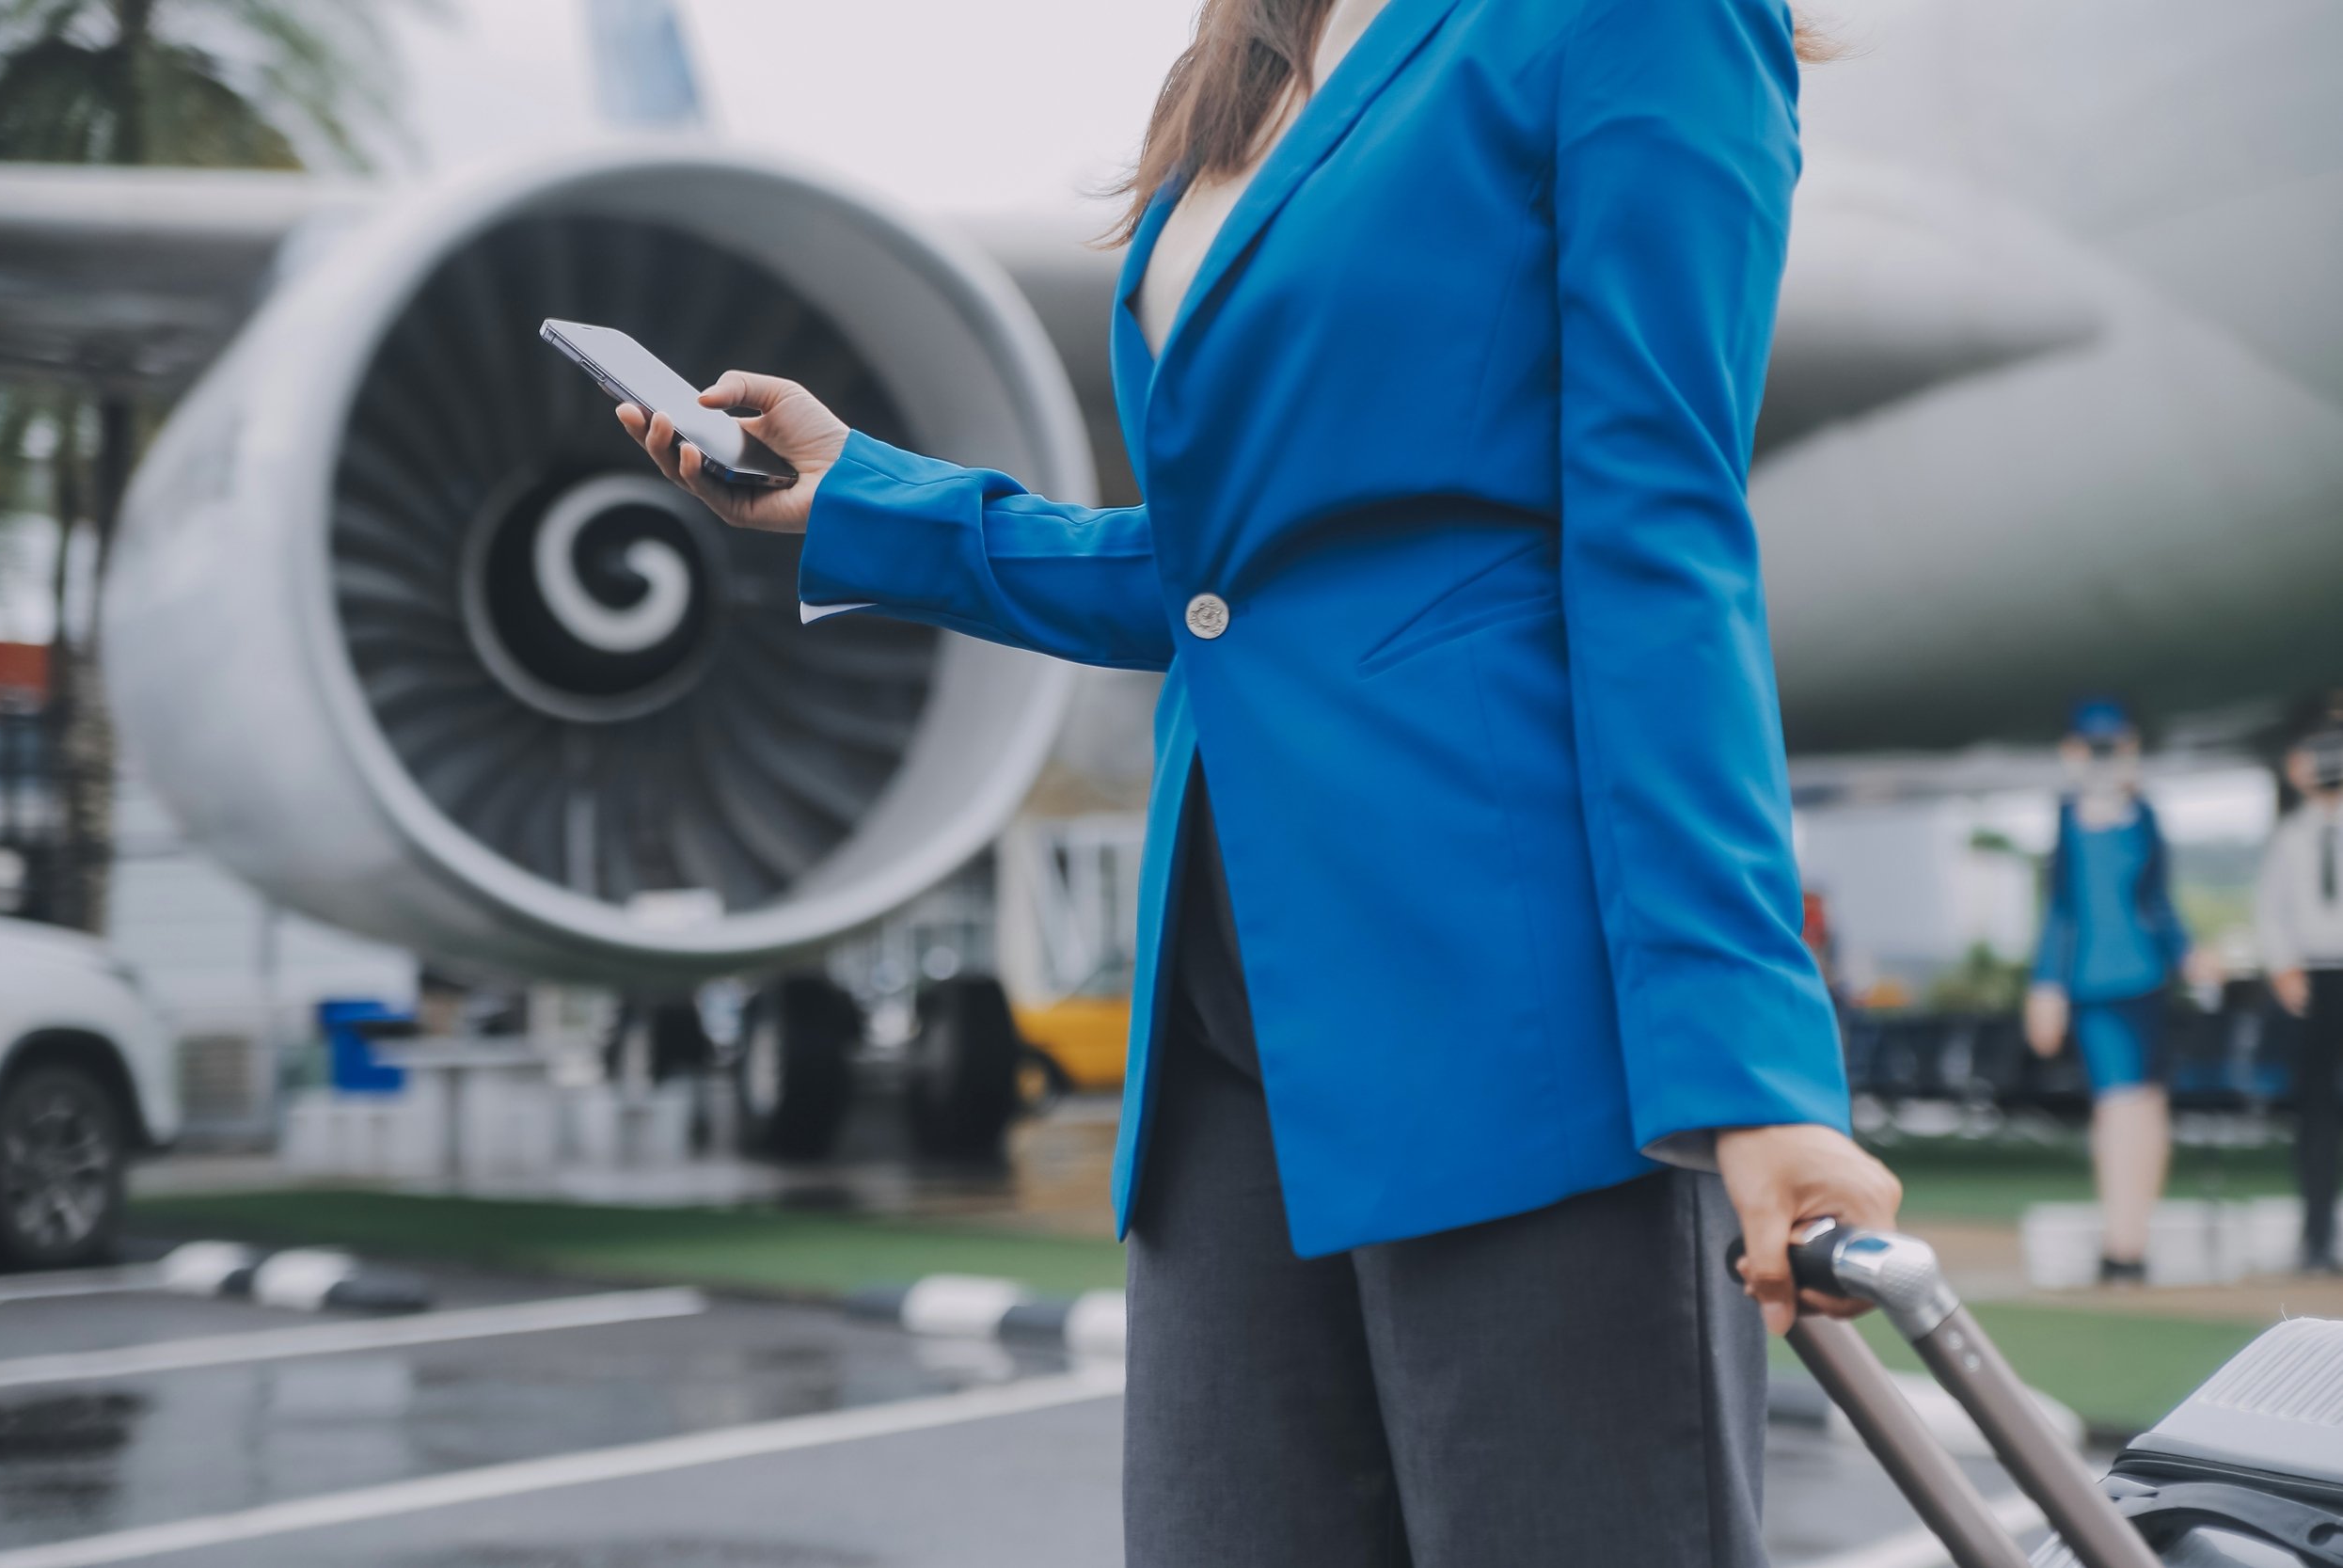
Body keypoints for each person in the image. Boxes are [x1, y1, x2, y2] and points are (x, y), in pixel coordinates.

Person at [618, 0, 1900, 1560]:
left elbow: (1660, 536)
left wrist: (1754, 1071)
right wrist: (867, 495)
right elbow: (1231, 581)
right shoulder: (1251, 56)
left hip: (1500, 995)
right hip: (1228, 1001)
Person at [2024, 698, 2194, 1285]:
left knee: (2148, 1108)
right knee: (2118, 1105)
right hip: (2093, 984)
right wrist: (2045, 983)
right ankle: (2119, 1242)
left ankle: (2134, 1239)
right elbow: (2059, 910)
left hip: (2147, 980)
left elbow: (2159, 900)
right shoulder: (2067, 819)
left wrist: (2188, 952)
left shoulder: (2143, 815)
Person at [2255, 721, 2343, 1275]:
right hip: (2313, 981)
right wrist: (2284, 968)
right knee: (2315, 1112)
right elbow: (2271, 911)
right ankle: (2317, 1238)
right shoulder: (2291, 836)